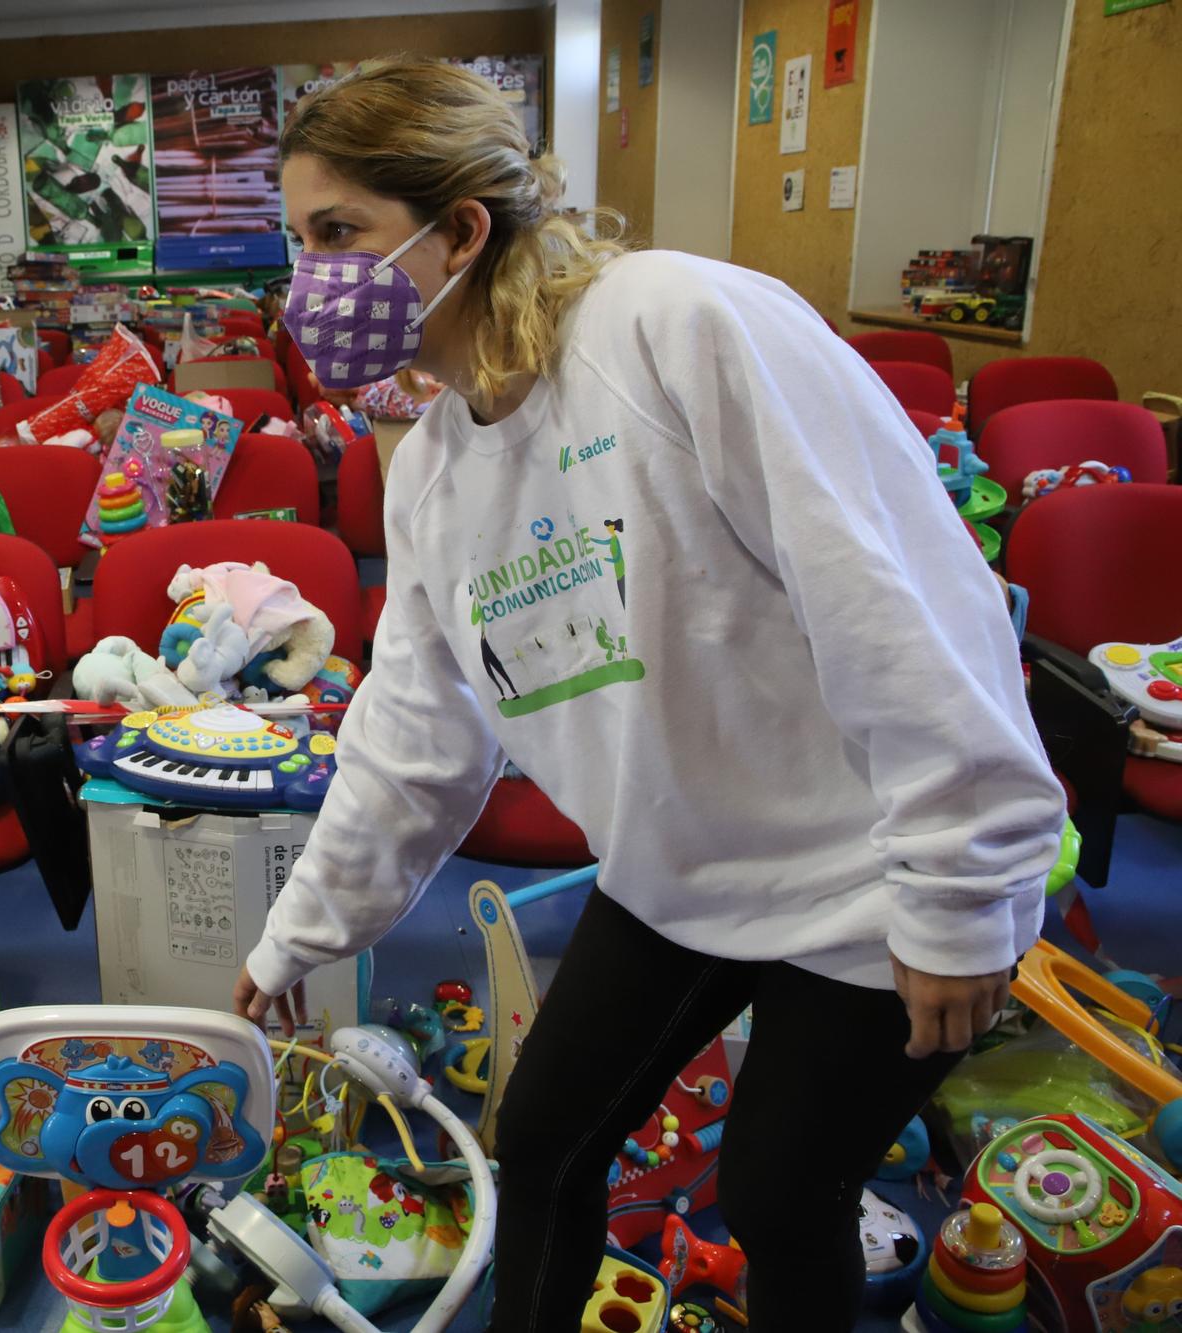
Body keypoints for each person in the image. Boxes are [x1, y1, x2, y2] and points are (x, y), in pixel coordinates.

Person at [235, 57, 1064, 1332]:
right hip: (678, 870)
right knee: (545, 1140)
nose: (312, 282)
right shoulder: (435, 472)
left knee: (781, 1193)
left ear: (459, 226)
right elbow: (410, 740)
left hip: (872, 873)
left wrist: (958, 888)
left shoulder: (670, 325)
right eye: (300, 242)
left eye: (338, 233)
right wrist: (297, 931)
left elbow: (894, 596)